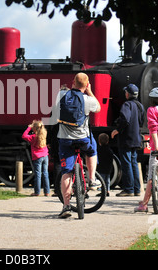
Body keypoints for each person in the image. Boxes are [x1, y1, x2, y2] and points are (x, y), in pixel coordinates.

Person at [56, 72, 101, 218]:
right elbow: (98, 108)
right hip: (82, 139)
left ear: (73, 82)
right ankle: (92, 179)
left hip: (65, 140)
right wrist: (90, 91)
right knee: (92, 149)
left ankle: (66, 206)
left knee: (67, 172)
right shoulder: (88, 99)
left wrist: (63, 90)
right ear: (86, 84)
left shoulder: (61, 94)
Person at [111, 83, 145, 196]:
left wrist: (118, 130)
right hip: (136, 138)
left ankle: (129, 189)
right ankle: (137, 189)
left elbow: (125, 119)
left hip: (126, 138)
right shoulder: (140, 105)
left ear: (128, 94)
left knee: (126, 163)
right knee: (134, 162)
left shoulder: (127, 105)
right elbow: (141, 121)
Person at [22, 120, 50, 196]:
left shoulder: (33, 137)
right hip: (45, 156)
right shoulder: (44, 134)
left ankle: (37, 192)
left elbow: (24, 136)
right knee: (45, 173)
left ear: (34, 128)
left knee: (38, 174)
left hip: (37, 157)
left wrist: (28, 128)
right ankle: (47, 192)